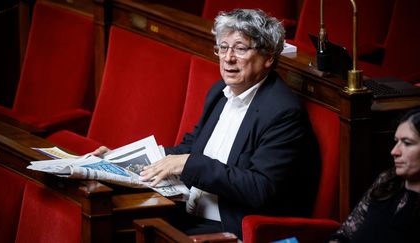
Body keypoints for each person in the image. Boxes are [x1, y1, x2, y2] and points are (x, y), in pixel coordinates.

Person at [93, 9, 320, 239]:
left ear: (268, 56)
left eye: (240, 49)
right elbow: (188, 149)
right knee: (112, 217)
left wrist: (191, 164)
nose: (228, 58)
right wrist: (122, 158)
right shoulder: (219, 93)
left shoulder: (283, 112)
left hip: (230, 227)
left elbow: (260, 188)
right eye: (223, 47)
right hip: (189, 209)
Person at [328, 108, 420, 243]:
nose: (394, 151)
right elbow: (345, 234)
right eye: (396, 141)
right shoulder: (387, 182)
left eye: (407, 143)